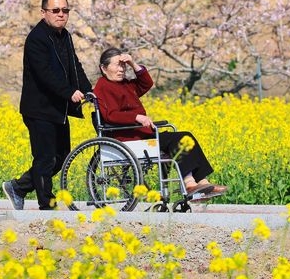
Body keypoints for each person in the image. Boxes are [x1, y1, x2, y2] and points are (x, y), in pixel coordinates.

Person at [92, 47, 227, 197]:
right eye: (117, 65)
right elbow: (110, 115)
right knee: (178, 140)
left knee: (185, 137)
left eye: (123, 65)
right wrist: (136, 117)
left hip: (143, 135)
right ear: (104, 68)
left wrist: (133, 63)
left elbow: (146, 84)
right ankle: (189, 183)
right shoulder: (102, 87)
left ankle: (202, 182)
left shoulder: (126, 84)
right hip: (126, 138)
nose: (122, 69)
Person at [2, 0, 93, 210]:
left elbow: (74, 66)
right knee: (44, 159)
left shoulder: (65, 36)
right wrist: (69, 92)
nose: (61, 15)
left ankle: (19, 187)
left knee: (61, 158)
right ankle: (47, 206)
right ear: (44, 13)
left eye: (65, 10)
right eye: (55, 10)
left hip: (58, 109)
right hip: (39, 109)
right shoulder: (36, 39)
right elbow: (44, 74)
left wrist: (89, 90)